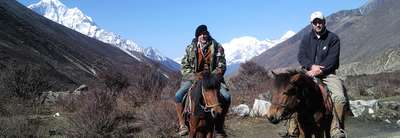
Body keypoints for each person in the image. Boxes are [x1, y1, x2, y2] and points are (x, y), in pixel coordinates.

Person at [296, 11, 347, 138]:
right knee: (293, 92)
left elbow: (333, 59)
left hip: (327, 74)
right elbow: (301, 56)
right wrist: (311, 67)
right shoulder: (306, 38)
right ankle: (292, 129)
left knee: (339, 98)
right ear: (311, 24)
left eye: (320, 22)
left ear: (324, 22)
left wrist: (320, 70)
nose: (318, 24)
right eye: (315, 22)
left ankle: (336, 129)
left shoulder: (333, 38)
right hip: (308, 71)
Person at [174, 24, 231, 137]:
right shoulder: (190, 48)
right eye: (201, 34)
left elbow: (222, 65)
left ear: (208, 34)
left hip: (212, 79)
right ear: (197, 36)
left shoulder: (218, 47)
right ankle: (182, 125)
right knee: (178, 96)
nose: (203, 36)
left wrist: (212, 76)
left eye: (205, 34)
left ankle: (219, 127)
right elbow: (184, 67)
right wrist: (194, 76)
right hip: (194, 78)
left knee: (226, 96)